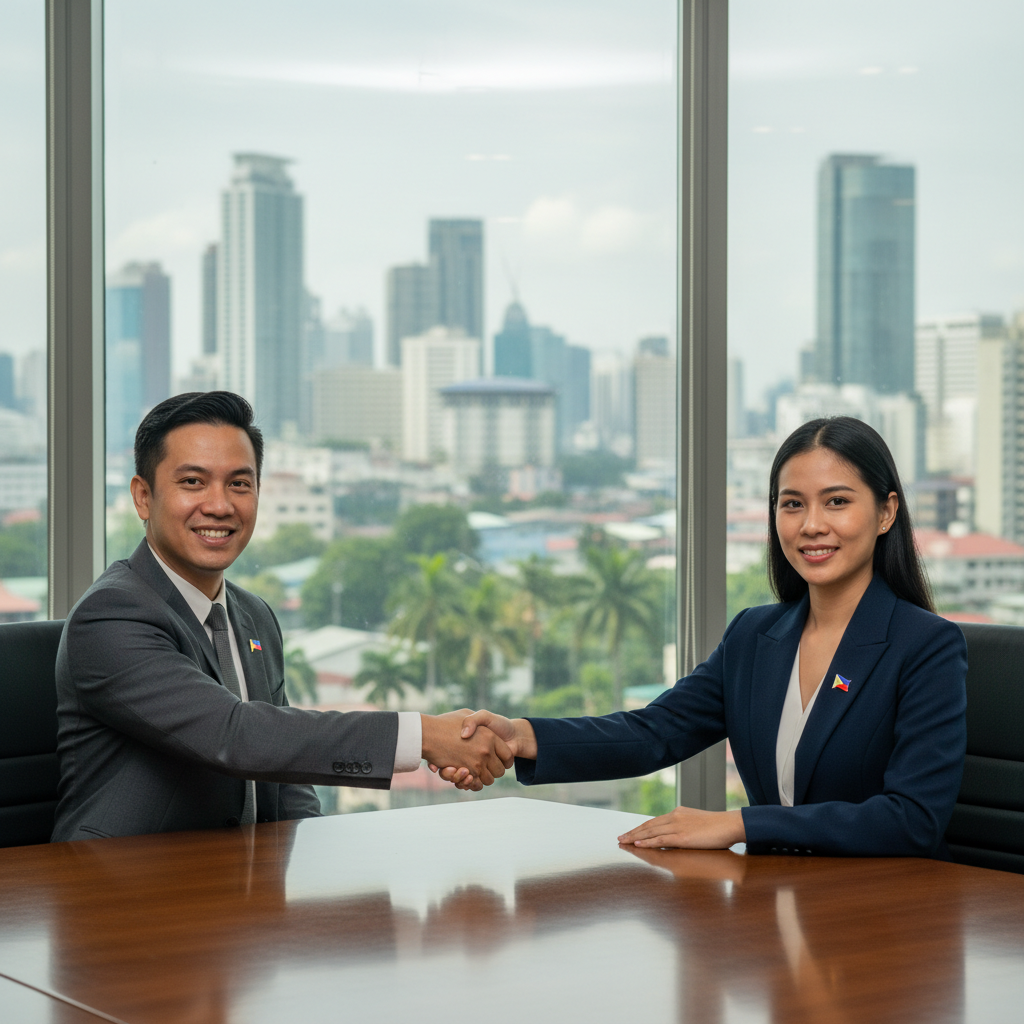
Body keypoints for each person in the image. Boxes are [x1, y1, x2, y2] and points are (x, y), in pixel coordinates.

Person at [441, 417, 968, 858]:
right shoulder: (754, 636)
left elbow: (912, 819)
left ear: (886, 512)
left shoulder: (926, 647)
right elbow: (654, 732)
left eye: (836, 502)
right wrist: (518, 736)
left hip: (883, 920)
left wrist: (741, 824)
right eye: (791, 504)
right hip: (774, 909)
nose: (811, 525)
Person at [52, 392, 510, 842]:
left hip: (239, 891)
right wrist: (425, 735)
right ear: (143, 497)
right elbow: (237, 735)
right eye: (193, 482)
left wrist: (310, 870)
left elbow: (286, 779)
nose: (219, 505)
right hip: (118, 894)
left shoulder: (254, 616)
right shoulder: (111, 615)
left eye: (239, 483)